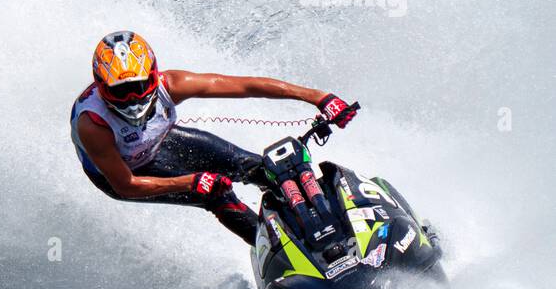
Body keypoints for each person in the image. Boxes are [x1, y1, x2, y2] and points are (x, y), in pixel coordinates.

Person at [70, 30, 357, 245]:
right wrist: (193, 182)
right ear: (100, 85)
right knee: (217, 195)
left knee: (262, 168)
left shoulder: (173, 84)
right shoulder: (93, 125)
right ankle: (277, 249)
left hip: (159, 142)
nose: (131, 99)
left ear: (154, 76)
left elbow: (246, 86)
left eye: (139, 87)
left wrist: (319, 97)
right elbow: (126, 186)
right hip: (125, 174)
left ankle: (329, 224)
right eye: (120, 91)